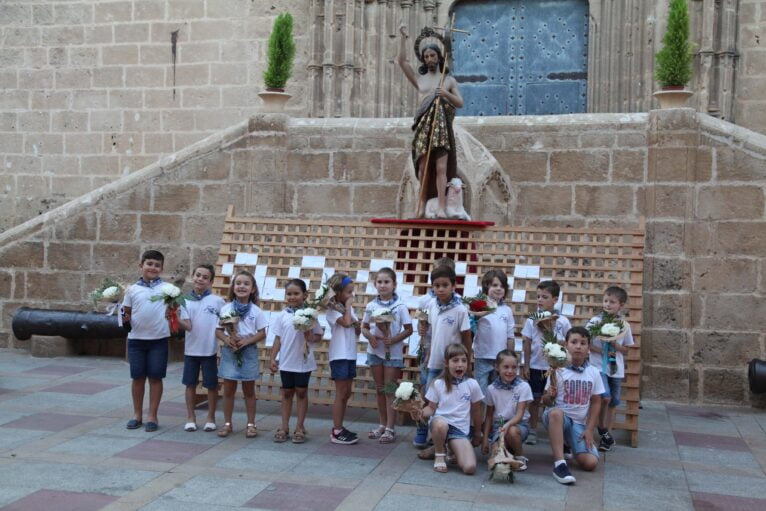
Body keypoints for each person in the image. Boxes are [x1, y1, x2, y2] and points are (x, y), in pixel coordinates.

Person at [398, 25, 464, 218]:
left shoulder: (448, 80)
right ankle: (420, 205)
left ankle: (442, 207)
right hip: (424, 127)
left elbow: (460, 102)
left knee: (441, 168)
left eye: (432, 56)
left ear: (439, 57)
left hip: (441, 127)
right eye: (426, 57)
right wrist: (403, 38)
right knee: (422, 167)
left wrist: (445, 94)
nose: (429, 60)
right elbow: (402, 62)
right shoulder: (420, 79)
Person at [542, 327, 604, 484]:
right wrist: (550, 395)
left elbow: (596, 401)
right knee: (556, 413)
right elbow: (546, 401)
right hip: (557, 418)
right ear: (566, 345)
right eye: (574, 342)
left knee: (590, 463)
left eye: (583, 343)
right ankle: (560, 465)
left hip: (578, 424)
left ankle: (569, 443)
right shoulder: (557, 369)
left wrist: (589, 429)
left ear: (588, 348)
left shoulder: (594, 372)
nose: (578, 346)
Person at [412, 343, 483, 474]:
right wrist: (421, 413)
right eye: (455, 360)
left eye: (463, 360)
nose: (460, 364)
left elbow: (477, 411)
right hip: (440, 424)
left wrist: (478, 433)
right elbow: (431, 408)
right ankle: (439, 455)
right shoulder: (438, 383)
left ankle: (445, 447)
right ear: (446, 363)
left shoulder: (472, 384)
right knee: (440, 424)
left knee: (470, 468)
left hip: (459, 430)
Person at [361, 268, 413, 443]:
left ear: (394, 285)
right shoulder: (371, 306)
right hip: (375, 352)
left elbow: (409, 329)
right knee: (379, 389)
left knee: (390, 390)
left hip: (393, 354)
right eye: (379, 282)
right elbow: (364, 327)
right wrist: (370, 337)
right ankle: (382, 424)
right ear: (375, 284)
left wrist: (394, 339)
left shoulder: (400, 307)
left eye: (386, 282)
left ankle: (391, 427)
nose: (383, 285)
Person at [269, 279, 323, 444]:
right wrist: (272, 357)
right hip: (286, 361)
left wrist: (310, 335)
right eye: (289, 294)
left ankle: (299, 426)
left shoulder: (310, 314)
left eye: (296, 293)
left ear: (305, 295)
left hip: (303, 361)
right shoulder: (282, 315)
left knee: (301, 392)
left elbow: (318, 336)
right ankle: (284, 426)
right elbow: (278, 338)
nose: (292, 297)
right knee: (286, 393)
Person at [215, 270, 267, 438]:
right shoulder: (226, 308)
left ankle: (251, 424)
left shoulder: (256, 311)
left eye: (246, 284)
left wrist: (247, 341)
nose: (242, 286)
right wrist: (227, 339)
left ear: (252, 289)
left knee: (249, 390)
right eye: (238, 283)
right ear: (233, 287)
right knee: (228, 389)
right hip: (230, 351)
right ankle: (227, 423)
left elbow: (262, 332)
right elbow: (218, 330)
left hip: (248, 350)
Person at [121, 249, 169, 432]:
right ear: (141, 266)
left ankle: (152, 416)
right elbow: (126, 312)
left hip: (158, 340)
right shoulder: (132, 290)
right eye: (149, 264)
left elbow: (173, 310)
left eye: (157, 265)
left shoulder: (167, 289)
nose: (153, 268)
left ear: (162, 268)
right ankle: (137, 414)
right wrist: (122, 317)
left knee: (156, 377)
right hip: (136, 340)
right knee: (138, 377)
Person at [413, 256, 457, 448]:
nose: (440, 286)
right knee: (427, 391)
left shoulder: (457, 302)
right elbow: (421, 325)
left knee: (446, 392)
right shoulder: (426, 300)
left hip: (448, 353)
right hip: (429, 351)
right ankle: (422, 431)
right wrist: (421, 330)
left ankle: (440, 435)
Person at [521, 280, 571, 445]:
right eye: (538, 296)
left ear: (555, 299)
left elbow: (568, 343)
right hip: (536, 366)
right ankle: (533, 430)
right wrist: (526, 364)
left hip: (555, 368)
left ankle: (556, 432)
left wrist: (550, 330)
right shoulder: (531, 320)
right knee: (534, 400)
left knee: (553, 399)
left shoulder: (562, 321)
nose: (540, 300)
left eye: (545, 297)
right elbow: (527, 342)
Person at [177, 264, 225, 433]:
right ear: (193, 276)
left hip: (209, 350)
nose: (201, 279)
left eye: (205, 277)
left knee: (211, 385)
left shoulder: (217, 301)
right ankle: (191, 417)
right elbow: (187, 326)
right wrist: (173, 318)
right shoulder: (184, 300)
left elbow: (224, 323)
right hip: (191, 350)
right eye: (198, 275)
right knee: (190, 384)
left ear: (211, 281)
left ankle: (211, 417)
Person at [587, 286, 634, 452]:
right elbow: (587, 343)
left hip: (615, 368)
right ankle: (598, 429)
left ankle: (606, 436)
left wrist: (614, 344)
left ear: (620, 305)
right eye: (605, 301)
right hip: (598, 365)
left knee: (613, 401)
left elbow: (627, 348)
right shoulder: (595, 322)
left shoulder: (623, 325)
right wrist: (601, 350)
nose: (607, 304)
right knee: (603, 397)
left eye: (612, 302)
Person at [325, 273, 362, 444]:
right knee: (341, 393)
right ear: (338, 293)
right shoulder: (332, 310)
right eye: (348, 292)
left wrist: (358, 326)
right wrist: (348, 307)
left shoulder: (347, 309)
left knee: (347, 392)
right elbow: (347, 323)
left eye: (352, 292)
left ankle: (340, 426)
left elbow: (355, 327)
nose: (351, 296)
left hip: (350, 354)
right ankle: (336, 430)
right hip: (339, 354)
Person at [481, 350, 533, 470]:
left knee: (512, 432)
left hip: (518, 425)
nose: (510, 371)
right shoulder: (491, 389)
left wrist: (507, 425)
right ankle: (505, 458)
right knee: (495, 453)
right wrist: (485, 440)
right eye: (506, 367)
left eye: (514, 367)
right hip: (498, 426)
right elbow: (489, 416)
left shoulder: (523, 386)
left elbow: (520, 414)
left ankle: (520, 457)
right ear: (497, 367)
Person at [473, 269, 515, 398]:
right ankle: (479, 418)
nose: (499, 289)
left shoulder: (507, 310)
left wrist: (510, 356)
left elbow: (510, 336)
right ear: (486, 286)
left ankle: (493, 418)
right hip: (482, 357)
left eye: (502, 286)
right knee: (481, 393)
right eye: (495, 285)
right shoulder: (479, 306)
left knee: (498, 394)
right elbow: (470, 327)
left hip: (500, 359)